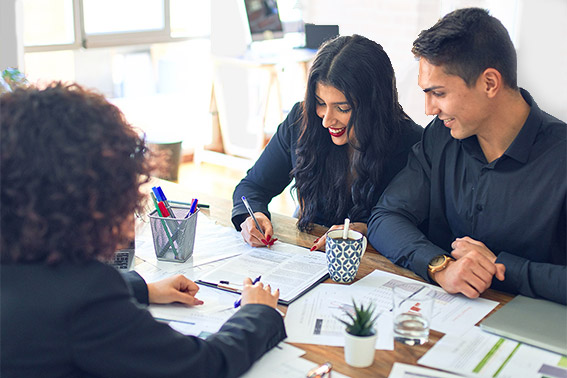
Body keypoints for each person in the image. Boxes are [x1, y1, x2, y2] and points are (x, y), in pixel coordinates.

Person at [0, 82, 286, 378]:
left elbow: (48, 289)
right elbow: (203, 366)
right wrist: (258, 313)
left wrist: (141, 289)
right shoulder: (86, 296)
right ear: (92, 196)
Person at [367, 8, 566, 304]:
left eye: (439, 93)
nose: (429, 109)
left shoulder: (560, 157)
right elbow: (385, 217)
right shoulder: (441, 136)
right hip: (447, 318)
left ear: (489, 83)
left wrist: (501, 267)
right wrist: (440, 266)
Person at [232, 34, 423, 251]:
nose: (326, 120)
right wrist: (253, 215)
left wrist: (370, 231)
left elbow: (420, 229)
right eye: (321, 103)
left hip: (377, 264)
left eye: (343, 108)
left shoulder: (413, 144)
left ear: (374, 105)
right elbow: (253, 186)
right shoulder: (301, 121)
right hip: (310, 257)